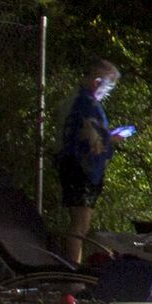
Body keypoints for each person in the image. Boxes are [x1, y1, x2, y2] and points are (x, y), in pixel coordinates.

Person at [53, 62, 131, 260]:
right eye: (108, 87)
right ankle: (72, 274)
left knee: (79, 224)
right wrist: (112, 138)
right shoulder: (88, 104)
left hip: (71, 166)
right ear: (97, 82)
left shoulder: (75, 101)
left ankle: (72, 270)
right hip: (81, 170)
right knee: (80, 224)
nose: (107, 92)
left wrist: (106, 135)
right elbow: (90, 140)